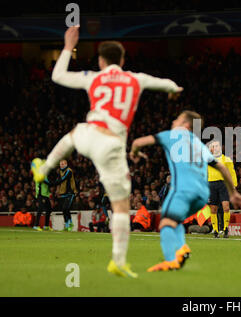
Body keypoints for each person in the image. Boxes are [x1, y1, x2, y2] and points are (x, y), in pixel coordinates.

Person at [30, 26, 183, 278]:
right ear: (122, 61)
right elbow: (165, 83)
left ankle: (43, 169)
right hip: (111, 146)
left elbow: (57, 76)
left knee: (72, 134)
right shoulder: (135, 78)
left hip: (90, 134)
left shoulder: (93, 77)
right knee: (121, 207)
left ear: (101, 61)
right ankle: (118, 262)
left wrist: (68, 47)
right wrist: (174, 89)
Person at [129, 110, 241, 272]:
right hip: (202, 193)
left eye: (177, 119)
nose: (173, 121)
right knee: (174, 220)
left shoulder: (170, 135)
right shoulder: (199, 144)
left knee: (166, 224)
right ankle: (182, 249)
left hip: (183, 190)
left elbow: (137, 142)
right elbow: (221, 167)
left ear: (186, 124)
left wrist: (134, 153)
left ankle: (172, 259)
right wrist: (233, 193)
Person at [207, 140, 238, 238]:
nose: (215, 148)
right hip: (211, 184)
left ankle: (225, 229)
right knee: (213, 209)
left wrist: (233, 185)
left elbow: (232, 172)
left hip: (223, 184)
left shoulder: (226, 159)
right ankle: (215, 230)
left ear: (220, 148)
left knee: (226, 207)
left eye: (217, 146)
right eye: (213, 146)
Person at [53, 160, 77, 231]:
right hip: (63, 193)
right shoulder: (60, 171)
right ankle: (67, 224)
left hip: (70, 192)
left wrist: (52, 184)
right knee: (65, 210)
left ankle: (70, 223)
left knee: (65, 208)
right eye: (60, 164)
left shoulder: (69, 171)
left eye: (63, 164)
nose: (61, 165)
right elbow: (59, 180)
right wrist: (57, 190)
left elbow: (62, 179)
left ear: (66, 164)